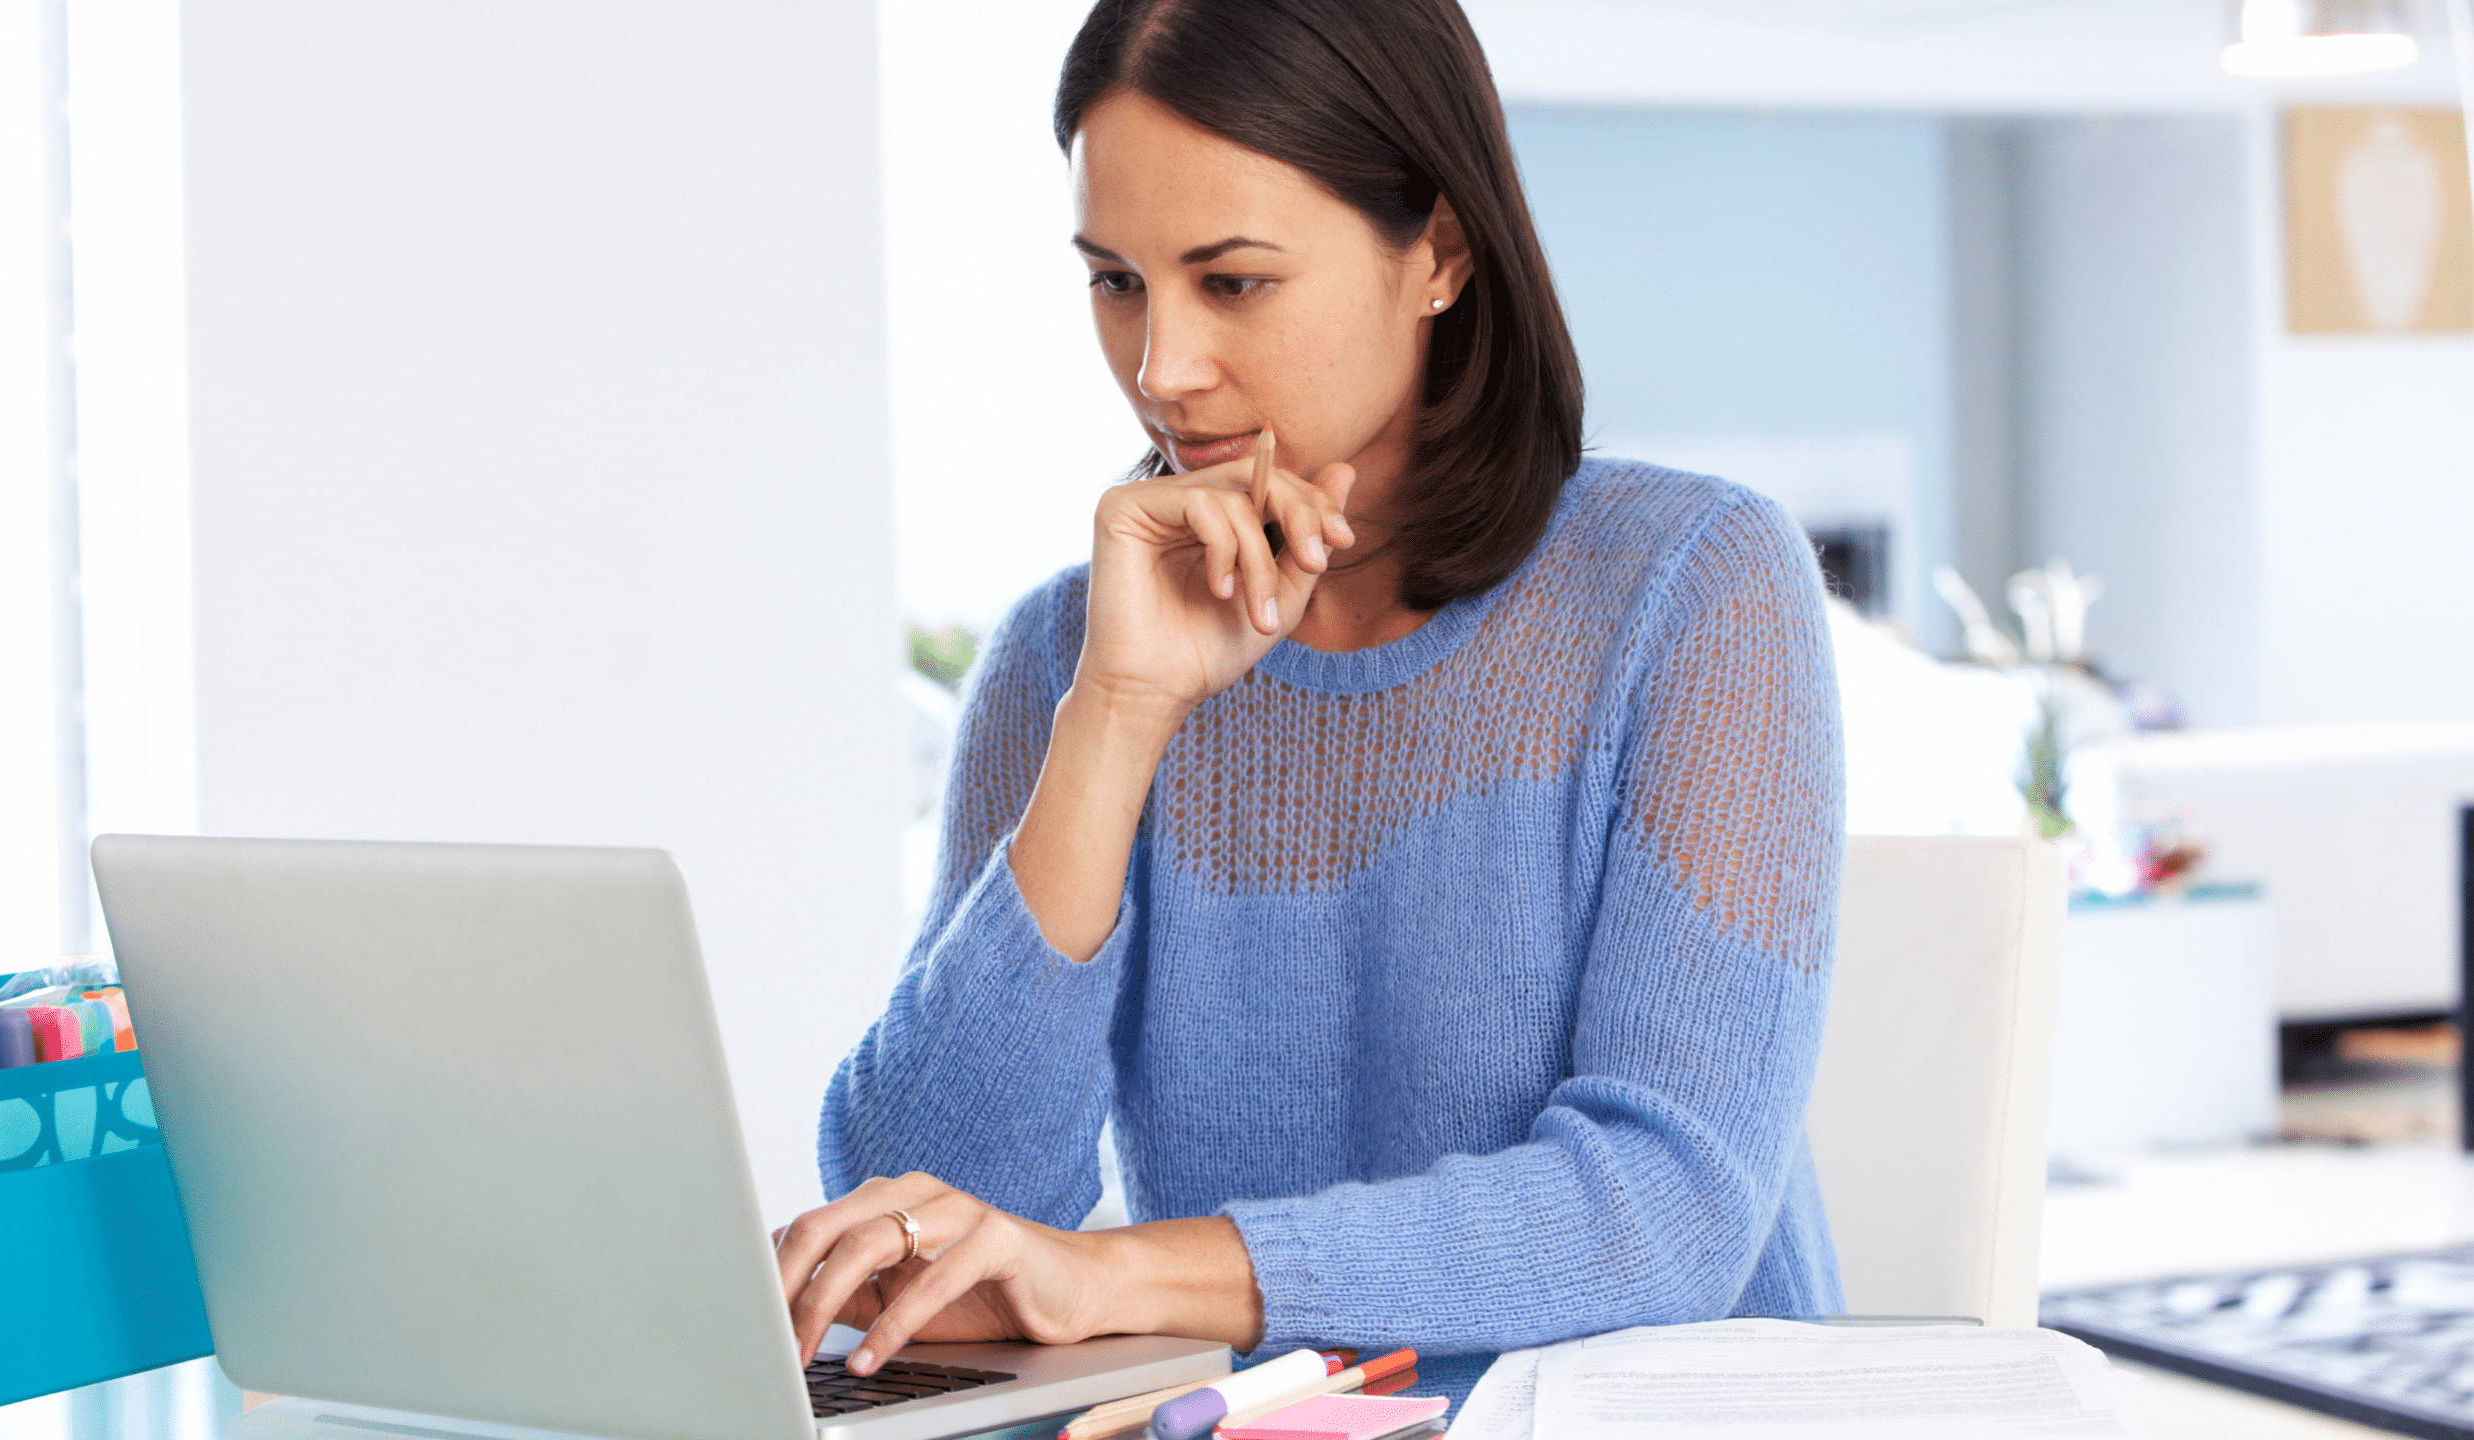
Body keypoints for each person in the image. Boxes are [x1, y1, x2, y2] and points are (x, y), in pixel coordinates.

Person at [777, 0, 1845, 1410]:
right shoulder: (1074, 651)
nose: (1161, 368)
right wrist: (1116, 716)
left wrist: (1122, 1274)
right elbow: (917, 1219)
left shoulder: (1692, 589)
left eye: (1233, 282)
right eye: (1115, 281)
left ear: (1442, 256)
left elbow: (1665, 1207)